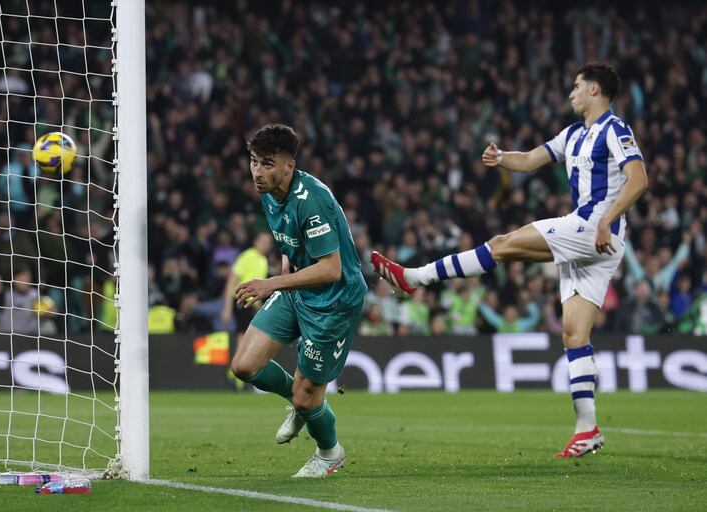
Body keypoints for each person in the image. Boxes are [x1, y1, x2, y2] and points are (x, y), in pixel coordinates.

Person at [372, 62, 648, 458]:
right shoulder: (573, 134)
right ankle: (587, 428)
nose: (570, 93)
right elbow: (533, 158)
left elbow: (639, 179)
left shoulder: (615, 129)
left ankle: (416, 277)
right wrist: (502, 158)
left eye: (576, 86)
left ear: (595, 90)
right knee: (574, 335)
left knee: (501, 244)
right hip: (597, 239)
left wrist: (606, 220)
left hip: (593, 228)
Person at [229, 124, 367, 477]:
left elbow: (332, 269)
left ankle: (328, 453)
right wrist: (286, 260)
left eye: (268, 164)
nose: (258, 172)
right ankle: (300, 403)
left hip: (334, 300)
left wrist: (272, 283)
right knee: (244, 365)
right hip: (298, 287)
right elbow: (290, 236)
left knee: (309, 398)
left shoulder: (312, 200)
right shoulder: (268, 190)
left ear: (289, 167)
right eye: (254, 162)